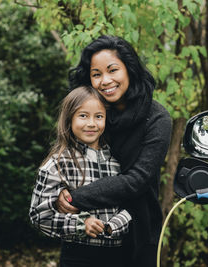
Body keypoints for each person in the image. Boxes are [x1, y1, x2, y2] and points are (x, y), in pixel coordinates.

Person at [56, 35, 172, 267]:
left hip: (137, 233)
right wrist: (60, 191)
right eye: (96, 74)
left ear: (129, 69)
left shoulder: (157, 118)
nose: (105, 80)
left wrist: (76, 197)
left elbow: (137, 180)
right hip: (85, 232)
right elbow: (65, 157)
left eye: (113, 70)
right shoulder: (90, 117)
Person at [29, 86, 132, 267]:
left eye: (98, 116)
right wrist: (81, 225)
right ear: (69, 119)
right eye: (83, 115)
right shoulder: (57, 165)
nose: (91, 123)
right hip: (77, 255)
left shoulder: (119, 161)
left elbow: (132, 206)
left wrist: (113, 226)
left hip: (118, 255)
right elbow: (39, 215)